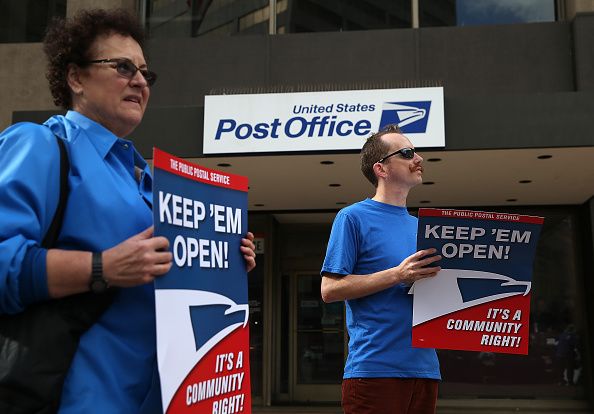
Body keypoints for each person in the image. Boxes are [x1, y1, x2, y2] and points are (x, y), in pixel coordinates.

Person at [0, 8, 256, 413]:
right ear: (75, 78)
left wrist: (225, 260)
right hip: (77, 399)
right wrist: (101, 268)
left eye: (144, 73)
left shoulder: (151, 181)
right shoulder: (40, 146)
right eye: (122, 67)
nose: (139, 81)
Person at [320, 124, 442, 414]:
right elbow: (329, 290)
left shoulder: (423, 228)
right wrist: (397, 275)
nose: (419, 159)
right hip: (375, 370)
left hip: (425, 370)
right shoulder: (352, 218)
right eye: (407, 153)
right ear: (381, 169)